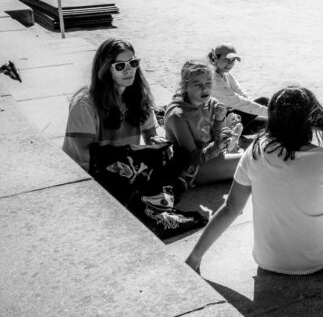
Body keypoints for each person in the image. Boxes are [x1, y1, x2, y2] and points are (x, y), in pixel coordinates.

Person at [185, 86, 323, 281]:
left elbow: (230, 208)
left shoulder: (255, 152)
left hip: (268, 260)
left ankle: (194, 259)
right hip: (321, 257)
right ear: (310, 120)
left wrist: (195, 257)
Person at [63, 38, 205, 239]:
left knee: (179, 154)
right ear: (105, 69)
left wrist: (157, 145)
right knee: (145, 193)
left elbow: (151, 138)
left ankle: (163, 190)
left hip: (128, 166)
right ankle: (166, 191)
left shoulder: (138, 99)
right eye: (120, 66)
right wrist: (133, 157)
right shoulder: (85, 104)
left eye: (133, 63)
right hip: (97, 172)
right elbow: (85, 155)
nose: (129, 70)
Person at [163, 60, 245, 191]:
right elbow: (193, 158)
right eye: (197, 84)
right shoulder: (177, 115)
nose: (205, 89)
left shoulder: (211, 103)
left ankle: (232, 147)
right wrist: (217, 145)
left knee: (252, 159)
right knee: (252, 162)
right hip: (193, 169)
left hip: (212, 155)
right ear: (185, 86)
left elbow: (217, 138)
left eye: (208, 83)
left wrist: (219, 120)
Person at [209, 43, 267, 139]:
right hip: (218, 125)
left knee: (268, 122)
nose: (230, 64)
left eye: (233, 60)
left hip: (231, 118)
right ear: (215, 58)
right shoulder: (212, 79)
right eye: (226, 59)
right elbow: (239, 102)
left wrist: (267, 114)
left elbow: (243, 95)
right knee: (264, 102)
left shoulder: (227, 75)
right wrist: (271, 113)